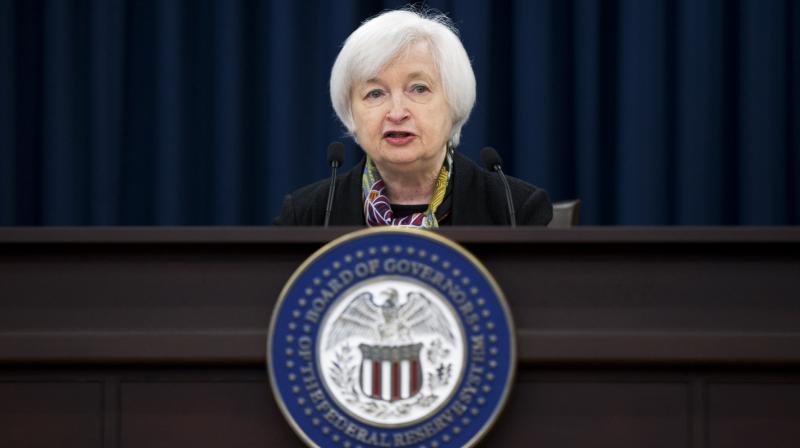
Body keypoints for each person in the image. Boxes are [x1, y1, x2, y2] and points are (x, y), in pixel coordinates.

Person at [274, 9, 552, 226]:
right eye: (375, 93)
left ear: (455, 101)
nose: (396, 113)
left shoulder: (515, 210)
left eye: (419, 89)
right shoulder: (308, 214)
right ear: (350, 112)